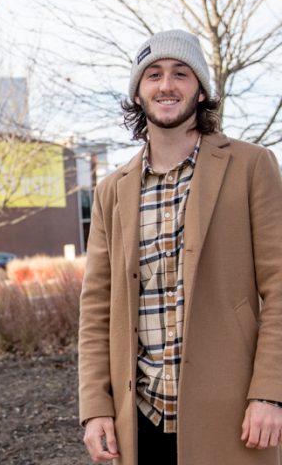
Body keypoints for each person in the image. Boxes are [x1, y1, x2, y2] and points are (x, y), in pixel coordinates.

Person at [78, 29, 282, 465]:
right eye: (153, 74)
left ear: (201, 89)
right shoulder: (111, 191)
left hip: (233, 415)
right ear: (137, 94)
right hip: (139, 420)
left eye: (180, 73)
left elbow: (280, 287)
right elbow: (96, 307)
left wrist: (269, 392)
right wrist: (95, 407)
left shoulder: (252, 166)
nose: (166, 85)